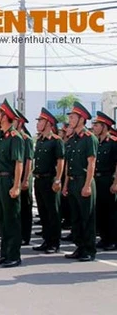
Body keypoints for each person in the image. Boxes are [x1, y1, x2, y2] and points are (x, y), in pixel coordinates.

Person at [0, 99, 24, 268]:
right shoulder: (1, 136)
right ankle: (4, 254)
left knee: (12, 219)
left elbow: (19, 163)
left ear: (5, 117)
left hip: (9, 179)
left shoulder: (15, 137)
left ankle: (14, 255)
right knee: (2, 218)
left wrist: (16, 185)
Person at [62, 102, 98, 261]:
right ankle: (79, 246)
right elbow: (68, 164)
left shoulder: (89, 138)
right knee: (76, 217)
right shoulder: (72, 140)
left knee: (87, 217)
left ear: (82, 119)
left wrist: (87, 185)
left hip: (84, 181)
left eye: (73, 117)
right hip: (73, 181)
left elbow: (91, 163)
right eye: (69, 117)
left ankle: (89, 250)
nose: (70, 119)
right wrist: (65, 185)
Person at [32, 108, 65, 254]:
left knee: (53, 212)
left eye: (41, 121)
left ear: (48, 123)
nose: (38, 124)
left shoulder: (56, 141)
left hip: (50, 179)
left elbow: (60, 161)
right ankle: (46, 240)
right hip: (39, 179)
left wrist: (58, 180)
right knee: (43, 212)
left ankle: (54, 242)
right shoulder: (40, 140)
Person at [91, 111, 117, 251]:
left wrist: (115, 182)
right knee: (99, 210)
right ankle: (104, 238)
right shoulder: (96, 142)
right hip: (97, 179)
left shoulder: (113, 142)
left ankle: (113, 239)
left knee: (111, 212)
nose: (94, 127)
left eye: (97, 125)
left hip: (108, 179)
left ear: (105, 127)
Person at [15, 110, 34, 246]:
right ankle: (19, 233)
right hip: (15, 176)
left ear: (20, 123)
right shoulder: (13, 137)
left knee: (25, 207)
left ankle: (25, 236)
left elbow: (28, 161)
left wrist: (26, 179)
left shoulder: (26, 139)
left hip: (24, 176)